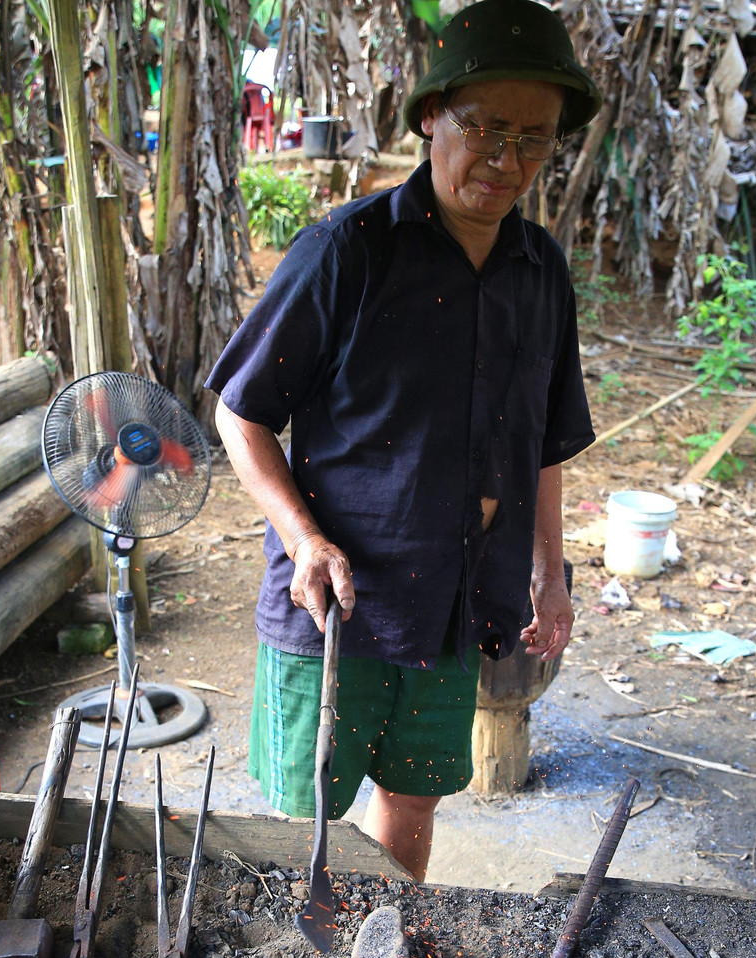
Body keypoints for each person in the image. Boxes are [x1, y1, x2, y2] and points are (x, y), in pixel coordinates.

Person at [208, 0, 598, 881]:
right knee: (309, 816)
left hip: (462, 600)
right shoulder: (346, 253)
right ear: (431, 116)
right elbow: (241, 414)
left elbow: (544, 441)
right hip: (340, 600)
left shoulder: (541, 273)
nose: (508, 162)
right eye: (486, 129)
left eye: (534, 139)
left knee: (414, 798)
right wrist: (304, 540)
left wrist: (547, 569)